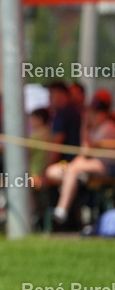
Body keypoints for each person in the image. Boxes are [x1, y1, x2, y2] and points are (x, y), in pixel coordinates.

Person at [44, 93, 115, 228]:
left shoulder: (109, 127)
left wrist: (85, 128)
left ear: (104, 113)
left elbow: (88, 151)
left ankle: (62, 209)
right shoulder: (93, 128)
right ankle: (74, 182)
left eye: (97, 112)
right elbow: (84, 151)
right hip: (84, 166)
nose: (93, 115)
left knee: (75, 168)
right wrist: (85, 126)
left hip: (105, 166)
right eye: (92, 112)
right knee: (53, 170)